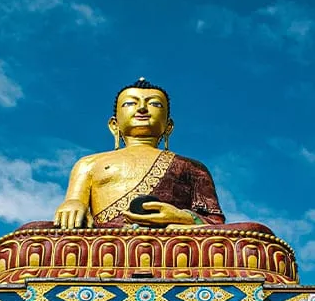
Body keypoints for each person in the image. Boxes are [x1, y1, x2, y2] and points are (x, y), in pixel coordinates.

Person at [53, 78, 225, 229]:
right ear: (114, 125)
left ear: (168, 126)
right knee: (41, 232)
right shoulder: (89, 164)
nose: (142, 108)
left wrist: (182, 217)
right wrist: (73, 204)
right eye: (130, 103)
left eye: (155, 104)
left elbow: (215, 223)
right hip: (106, 240)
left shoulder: (192, 167)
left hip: (172, 240)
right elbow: (75, 203)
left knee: (241, 232)